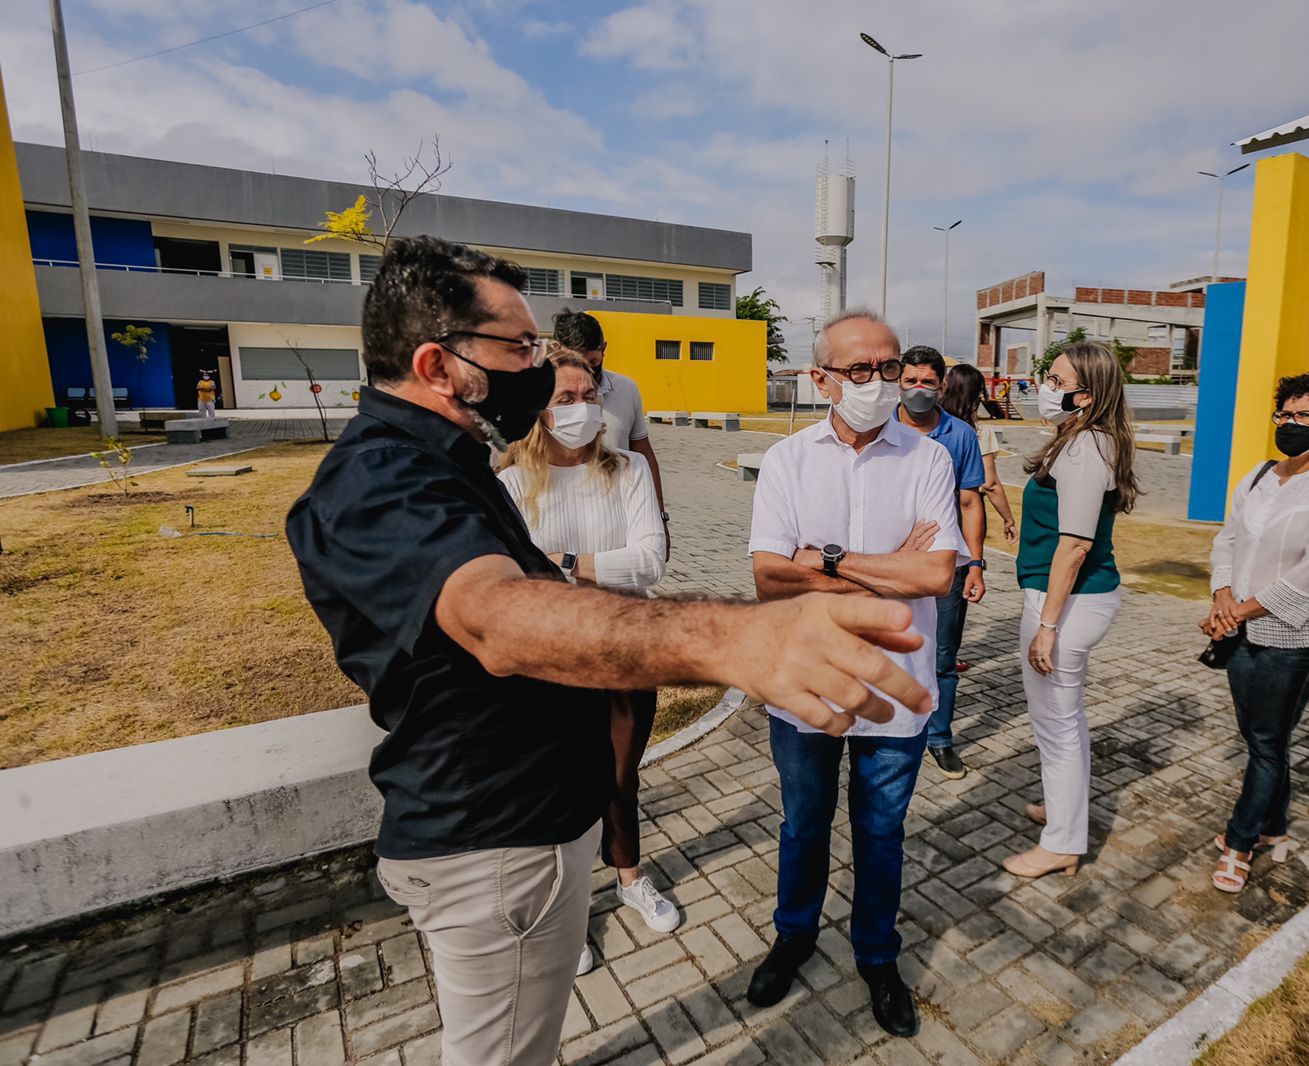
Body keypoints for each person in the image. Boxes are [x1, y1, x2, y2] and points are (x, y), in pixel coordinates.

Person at [287, 238, 931, 1066]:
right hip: (495, 846)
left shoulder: (449, 464)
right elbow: (499, 619)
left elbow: (631, 561)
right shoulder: (384, 482)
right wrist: (737, 635)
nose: (538, 370)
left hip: (527, 832)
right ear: (436, 364)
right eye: (518, 350)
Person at [746, 310, 964, 1039]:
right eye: (860, 370)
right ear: (821, 379)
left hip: (895, 688)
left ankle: (877, 955)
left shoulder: (929, 458)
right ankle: (795, 935)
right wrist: (883, 571)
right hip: (806, 682)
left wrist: (829, 562)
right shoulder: (788, 461)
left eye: (889, 366)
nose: (880, 383)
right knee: (805, 825)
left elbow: (936, 572)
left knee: (880, 831)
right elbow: (771, 581)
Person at [497, 349, 677, 978]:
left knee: (621, 772)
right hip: (549, 658)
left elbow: (652, 560)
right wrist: (597, 564)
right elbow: (515, 575)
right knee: (557, 786)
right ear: (540, 413)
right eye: (565, 398)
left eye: (590, 395)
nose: (582, 408)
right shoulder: (512, 484)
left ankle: (630, 876)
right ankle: (566, 910)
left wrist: (567, 564)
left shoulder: (628, 469)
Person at [1202, 371, 1309, 893]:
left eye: (1305, 417)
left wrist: (1235, 612)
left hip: (1294, 639)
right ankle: (1274, 828)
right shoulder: (1257, 475)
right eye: (1285, 414)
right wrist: (1222, 597)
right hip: (1241, 630)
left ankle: (1240, 842)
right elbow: (1228, 541)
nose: (1290, 425)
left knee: (1267, 743)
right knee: (1262, 739)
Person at [1007, 341, 1138, 880]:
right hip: (1066, 599)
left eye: (1058, 382)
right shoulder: (1080, 440)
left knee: (1056, 725)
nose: (1047, 387)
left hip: (1067, 602)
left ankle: (1062, 842)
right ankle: (1065, 815)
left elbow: (1076, 545)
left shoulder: (1086, 447)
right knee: (1062, 722)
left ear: (1089, 394)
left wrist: (1047, 627)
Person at [896, 346, 987, 780]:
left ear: (942, 385)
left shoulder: (960, 435)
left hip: (945, 566)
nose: (918, 389)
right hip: (886, 562)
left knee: (944, 655)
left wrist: (976, 564)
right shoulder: (878, 427)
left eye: (927, 382)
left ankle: (940, 736)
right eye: (910, 380)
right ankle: (881, 727)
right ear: (898, 380)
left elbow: (970, 502)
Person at [552, 309, 669, 558]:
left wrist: (660, 517)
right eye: (575, 363)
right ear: (557, 349)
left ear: (604, 348)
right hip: (559, 518)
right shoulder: (541, 392)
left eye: (592, 365)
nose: (586, 376)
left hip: (620, 520)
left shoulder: (626, 389)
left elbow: (644, 454)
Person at [944, 363, 1019, 546]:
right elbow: (989, 483)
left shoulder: (934, 424)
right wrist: (1008, 518)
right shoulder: (978, 432)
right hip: (965, 509)